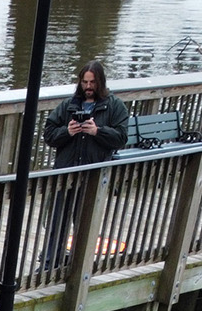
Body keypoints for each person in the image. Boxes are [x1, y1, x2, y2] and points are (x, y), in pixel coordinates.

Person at [41, 60, 130, 266]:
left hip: (93, 174)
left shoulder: (114, 106)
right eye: (84, 82)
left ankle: (80, 264)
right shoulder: (68, 105)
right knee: (57, 221)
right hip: (65, 172)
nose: (88, 87)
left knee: (85, 222)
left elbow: (121, 137)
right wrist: (67, 131)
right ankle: (50, 263)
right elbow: (49, 134)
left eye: (92, 82)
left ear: (100, 82)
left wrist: (97, 131)